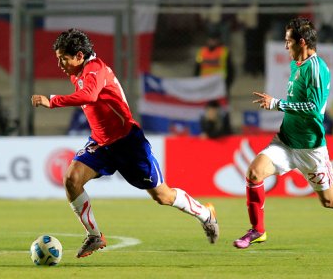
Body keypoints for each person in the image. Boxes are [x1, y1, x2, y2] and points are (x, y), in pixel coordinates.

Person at [31, 29, 219, 258]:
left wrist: (52, 101)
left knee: (162, 196)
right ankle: (94, 236)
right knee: (71, 179)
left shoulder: (95, 69)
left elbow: (89, 96)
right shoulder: (78, 71)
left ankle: (205, 215)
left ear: (80, 55)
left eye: (64, 58)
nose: (60, 64)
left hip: (128, 143)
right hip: (101, 143)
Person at [233, 17, 333, 249]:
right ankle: (258, 230)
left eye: (288, 41)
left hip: (311, 148)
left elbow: (313, 109)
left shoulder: (317, 69)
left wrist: (277, 104)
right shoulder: (295, 64)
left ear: (301, 42)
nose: (285, 46)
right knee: (254, 172)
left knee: (330, 200)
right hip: (286, 141)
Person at [195, 25, 234, 101]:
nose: (212, 41)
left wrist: (227, 85)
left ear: (218, 40)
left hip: (219, 85)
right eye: (210, 39)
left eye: (214, 39)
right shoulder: (202, 52)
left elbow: (230, 70)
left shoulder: (224, 51)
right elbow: (197, 69)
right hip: (205, 85)